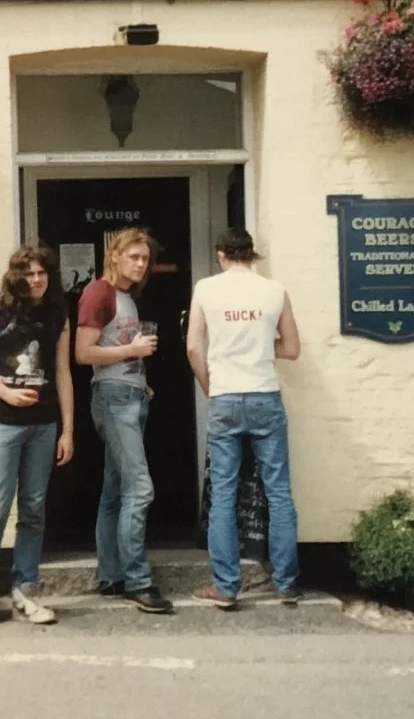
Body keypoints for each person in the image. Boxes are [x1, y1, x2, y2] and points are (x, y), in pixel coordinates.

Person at [0, 245, 75, 631]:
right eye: (29, 274)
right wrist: (4, 393)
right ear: (16, 276)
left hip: (43, 426)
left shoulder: (58, 316)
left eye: (42, 273)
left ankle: (25, 590)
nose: (36, 280)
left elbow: (62, 373)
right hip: (4, 422)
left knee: (33, 511)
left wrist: (67, 429)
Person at [184, 228, 303, 610]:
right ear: (253, 256)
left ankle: (226, 586)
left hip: (225, 395)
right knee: (278, 490)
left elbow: (192, 346)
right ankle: (285, 583)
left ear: (221, 255)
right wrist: (259, 345)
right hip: (265, 394)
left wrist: (209, 384)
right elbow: (293, 348)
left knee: (223, 491)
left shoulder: (206, 288)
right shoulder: (275, 290)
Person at [74, 228, 172, 614]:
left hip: (130, 395)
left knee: (115, 492)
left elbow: (115, 350)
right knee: (140, 488)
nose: (140, 263)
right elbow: (83, 353)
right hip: (115, 400)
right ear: (113, 255)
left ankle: (111, 575)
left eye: (145, 258)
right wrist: (132, 350)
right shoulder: (98, 292)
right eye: (133, 256)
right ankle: (138, 581)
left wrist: (139, 378)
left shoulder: (126, 296)